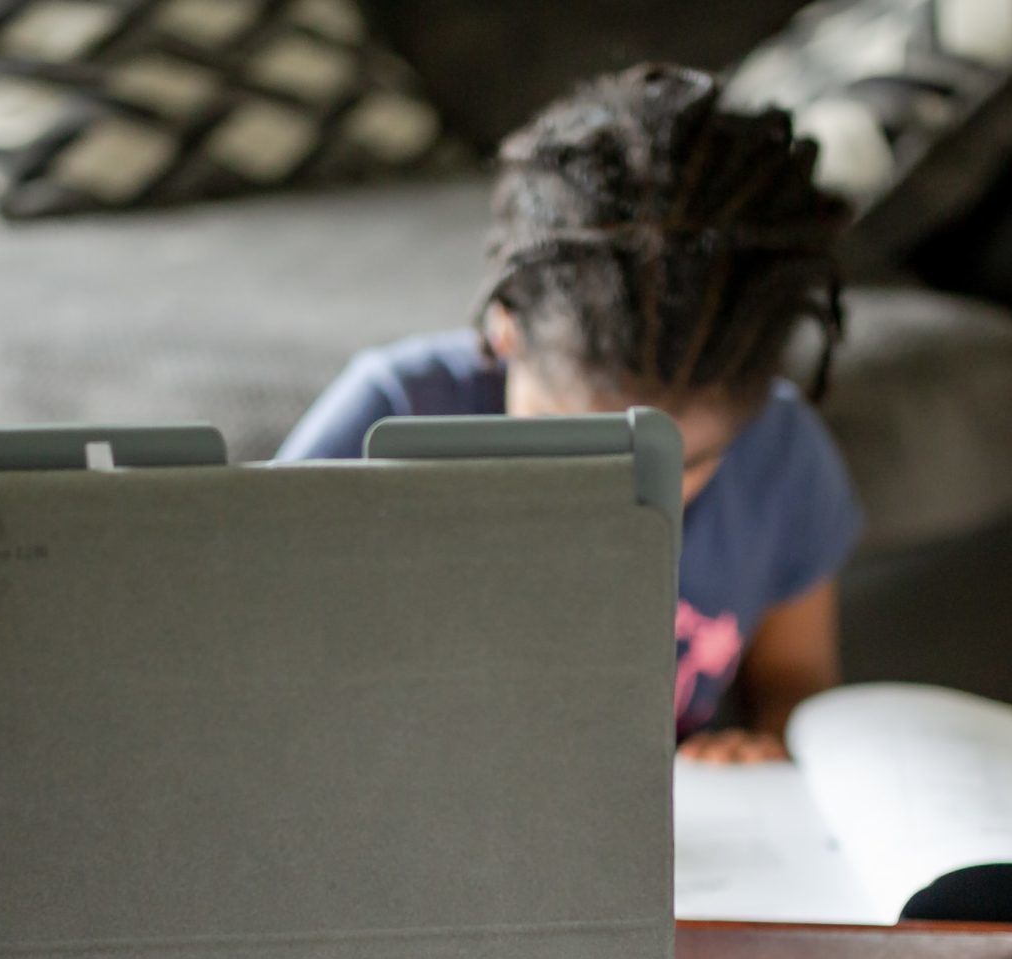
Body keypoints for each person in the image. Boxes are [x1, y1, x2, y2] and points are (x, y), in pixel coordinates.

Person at [275, 64, 864, 763]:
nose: (619, 499)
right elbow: (252, 652)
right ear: (504, 331)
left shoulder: (784, 456)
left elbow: (794, 681)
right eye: (576, 447)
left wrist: (766, 745)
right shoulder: (390, 414)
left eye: (678, 465)